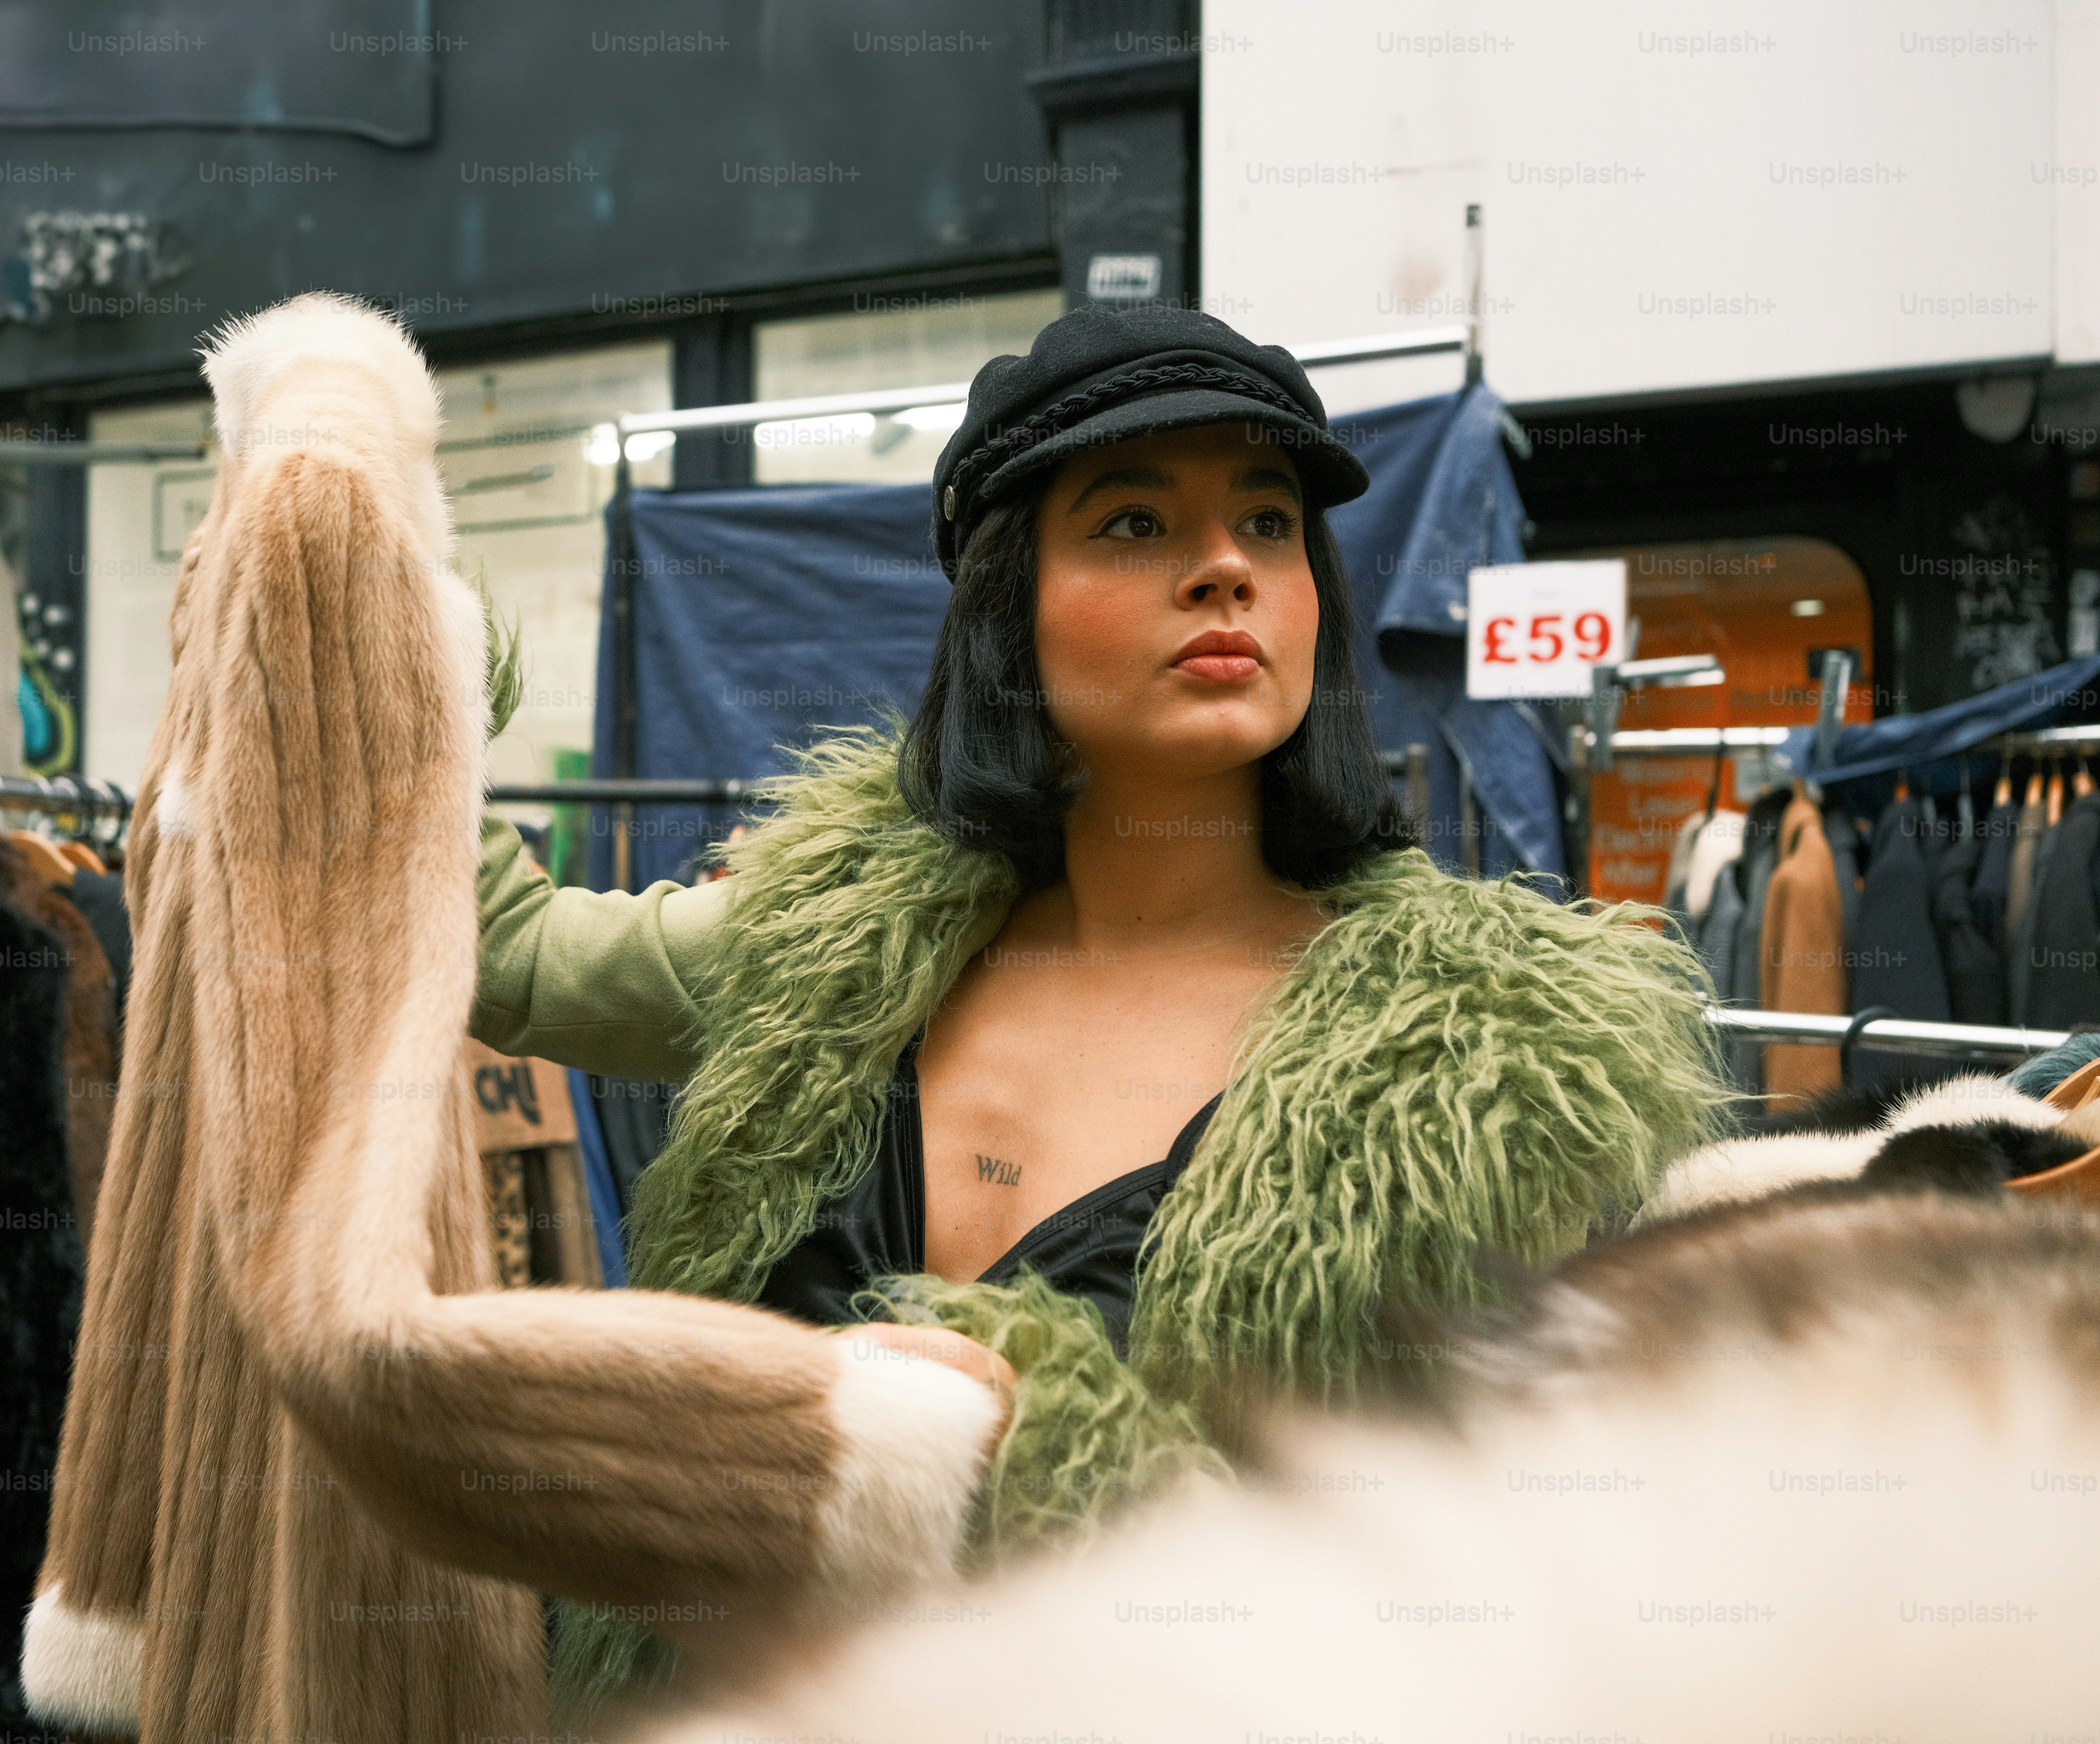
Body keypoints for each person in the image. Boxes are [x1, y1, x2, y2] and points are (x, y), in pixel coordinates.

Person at [468, 303, 1726, 1716]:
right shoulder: (832, 946)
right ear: (1010, 606)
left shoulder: (1479, 1073)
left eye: (1268, 524)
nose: (1223, 574)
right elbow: (503, 956)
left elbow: (1484, 1594)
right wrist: (357, 618)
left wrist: (1033, 1442)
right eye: (1133, 524)